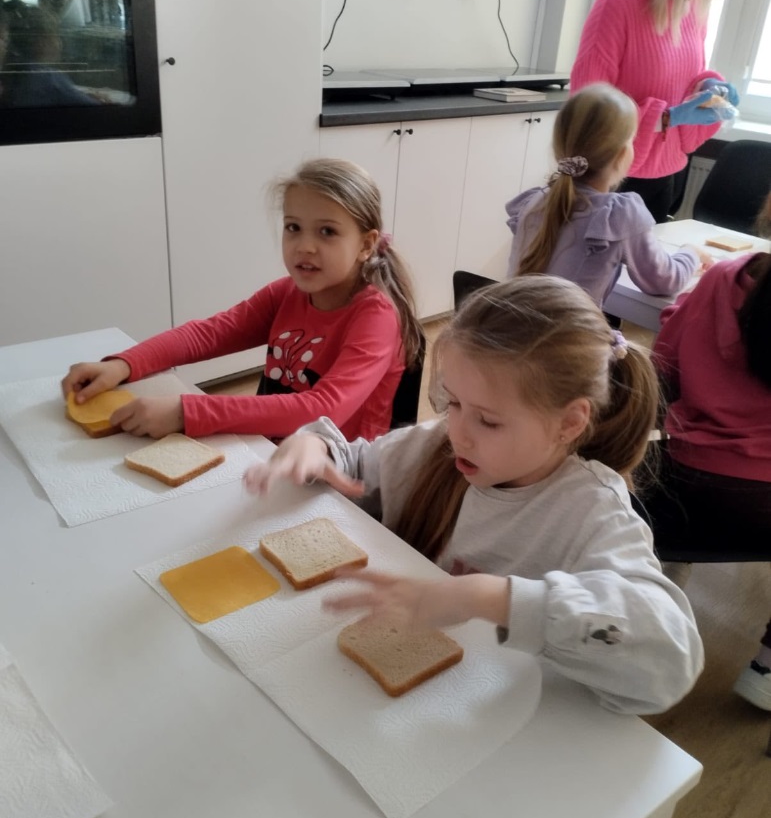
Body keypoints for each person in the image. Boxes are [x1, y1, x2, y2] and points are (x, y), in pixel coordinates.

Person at [244, 276, 704, 715]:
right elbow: (356, 463)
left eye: (488, 420)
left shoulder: (592, 512)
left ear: (569, 422)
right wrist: (315, 447)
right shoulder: (434, 446)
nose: (458, 433)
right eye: (453, 403)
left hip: (493, 719)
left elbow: (672, 660)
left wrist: (488, 597)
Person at [61, 158, 421, 442]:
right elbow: (209, 334)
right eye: (293, 227)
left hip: (340, 482)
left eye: (327, 231)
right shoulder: (287, 293)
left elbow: (321, 409)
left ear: (366, 244)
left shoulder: (376, 317)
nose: (305, 246)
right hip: (271, 454)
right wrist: (123, 365)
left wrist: (187, 412)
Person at [643, 250, 771, 710]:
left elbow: (662, 370)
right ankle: (767, 670)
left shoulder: (723, 277)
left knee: (667, 515)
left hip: (682, 483)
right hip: (764, 507)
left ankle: (659, 592)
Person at [571, 0, 753, 223]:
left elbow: (678, 77)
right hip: (614, 178)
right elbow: (587, 110)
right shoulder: (618, 2)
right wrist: (667, 118)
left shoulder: (692, 8)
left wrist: (706, 84)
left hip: (668, 174)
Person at [505, 83, 710, 308]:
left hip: (511, 327)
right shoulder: (618, 214)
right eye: (632, 140)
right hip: (569, 331)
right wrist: (691, 253)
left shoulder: (535, 201)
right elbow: (664, 280)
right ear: (622, 154)